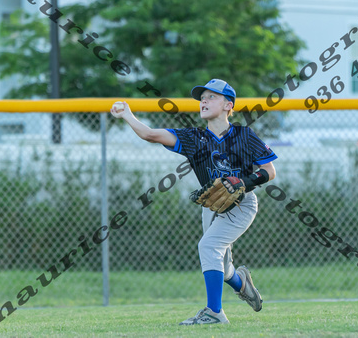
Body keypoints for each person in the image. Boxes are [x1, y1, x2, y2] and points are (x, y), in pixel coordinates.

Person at [110, 79, 277, 325]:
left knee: (208, 247)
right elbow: (150, 134)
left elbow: (269, 171)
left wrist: (244, 181)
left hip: (242, 205)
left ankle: (214, 313)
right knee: (221, 263)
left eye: (212, 97)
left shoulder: (244, 135)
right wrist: (128, 115)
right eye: (203, 97)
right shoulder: (193, 138)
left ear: (228, 104)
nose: (204, 101)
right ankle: (243, 285)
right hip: (212, 206)